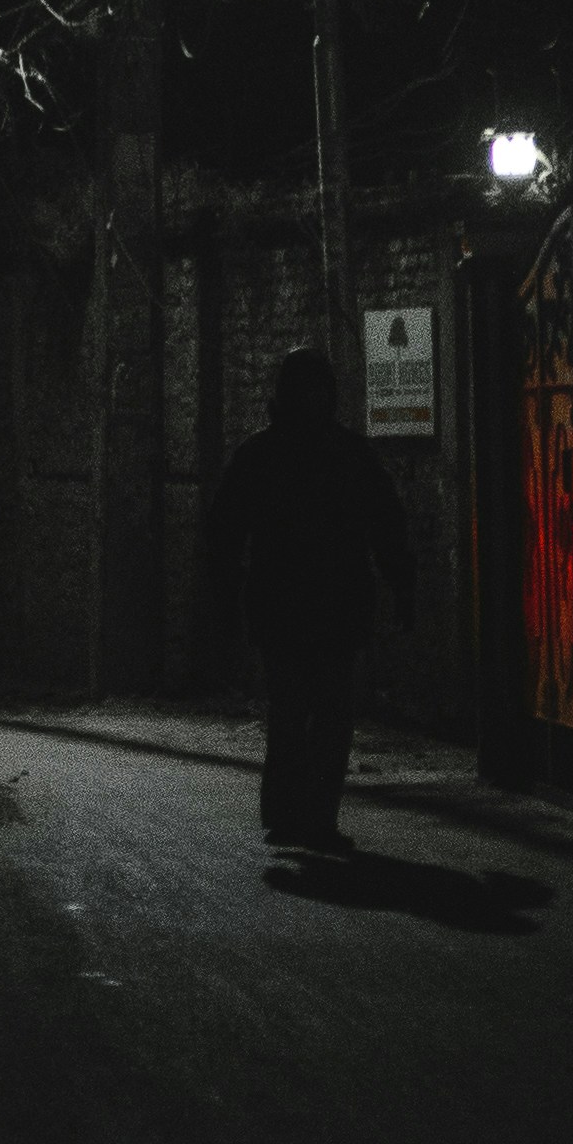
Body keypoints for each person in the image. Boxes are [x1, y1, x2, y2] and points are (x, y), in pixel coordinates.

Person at [203, 347, 415, 853]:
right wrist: (402, 588)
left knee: (299, 709)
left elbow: (225, 535)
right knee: (320, 712)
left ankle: (289, 813)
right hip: (329, 607)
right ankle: (313, 816)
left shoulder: (262, 454)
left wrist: (226, 603)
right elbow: (387, 526)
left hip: (289, 607)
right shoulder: (348, 454)